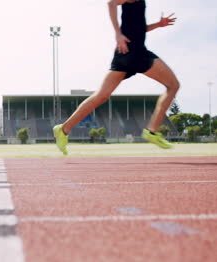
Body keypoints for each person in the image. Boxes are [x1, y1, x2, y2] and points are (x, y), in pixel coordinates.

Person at [53, 0, 178, 155]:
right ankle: (152, 131)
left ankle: (63, 129)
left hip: (127, 52)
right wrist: (118, 34)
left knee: (101, 95)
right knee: (173, 85)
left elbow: (138, 29)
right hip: (133, 51)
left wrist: (158, 25)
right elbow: (111, 3)